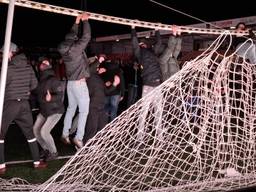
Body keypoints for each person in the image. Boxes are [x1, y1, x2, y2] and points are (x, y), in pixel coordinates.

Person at [0, 43, 47, 174]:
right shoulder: (28, 66)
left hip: (10, 104)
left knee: (0, 133)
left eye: (4, 53)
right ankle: (37, 162)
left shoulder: (7, 68)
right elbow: (34, 85)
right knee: (30, 134)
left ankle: (1, 166)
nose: (3, 55)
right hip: (25, 104)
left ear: (10, 53)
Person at [58, 12, 91, 149]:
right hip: (79, 83)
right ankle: (78, 138)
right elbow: (86, 37)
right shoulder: (75, 49)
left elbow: (71, 34)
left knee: (71, 109)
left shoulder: (63, 49)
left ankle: (65, 133)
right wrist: (85, 21)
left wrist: (76, 22)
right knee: (84, 111)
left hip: (70, 83)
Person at [32, 57, 65, 161]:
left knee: (44, 132)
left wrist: (51, 98)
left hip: (55, 110)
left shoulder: (53, 79)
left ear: (49, 66)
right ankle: (46, 150)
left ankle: (54, 153)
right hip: (44, 110)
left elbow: (60, 94)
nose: (43, 63)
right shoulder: (40, 79)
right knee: (35, 130)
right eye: (42, 62)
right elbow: (36, 93)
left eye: (46, 62)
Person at [131, 26, 162, 97]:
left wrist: (157, 30)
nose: (142, 45)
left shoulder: (153, 51)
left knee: (157, 106)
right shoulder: (139, 53)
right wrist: (133, 29)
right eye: (141, 44)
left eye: (143, 44)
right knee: (146, 106)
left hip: (156, 82)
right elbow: (134, 43)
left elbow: (159, 43)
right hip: (148, 83)